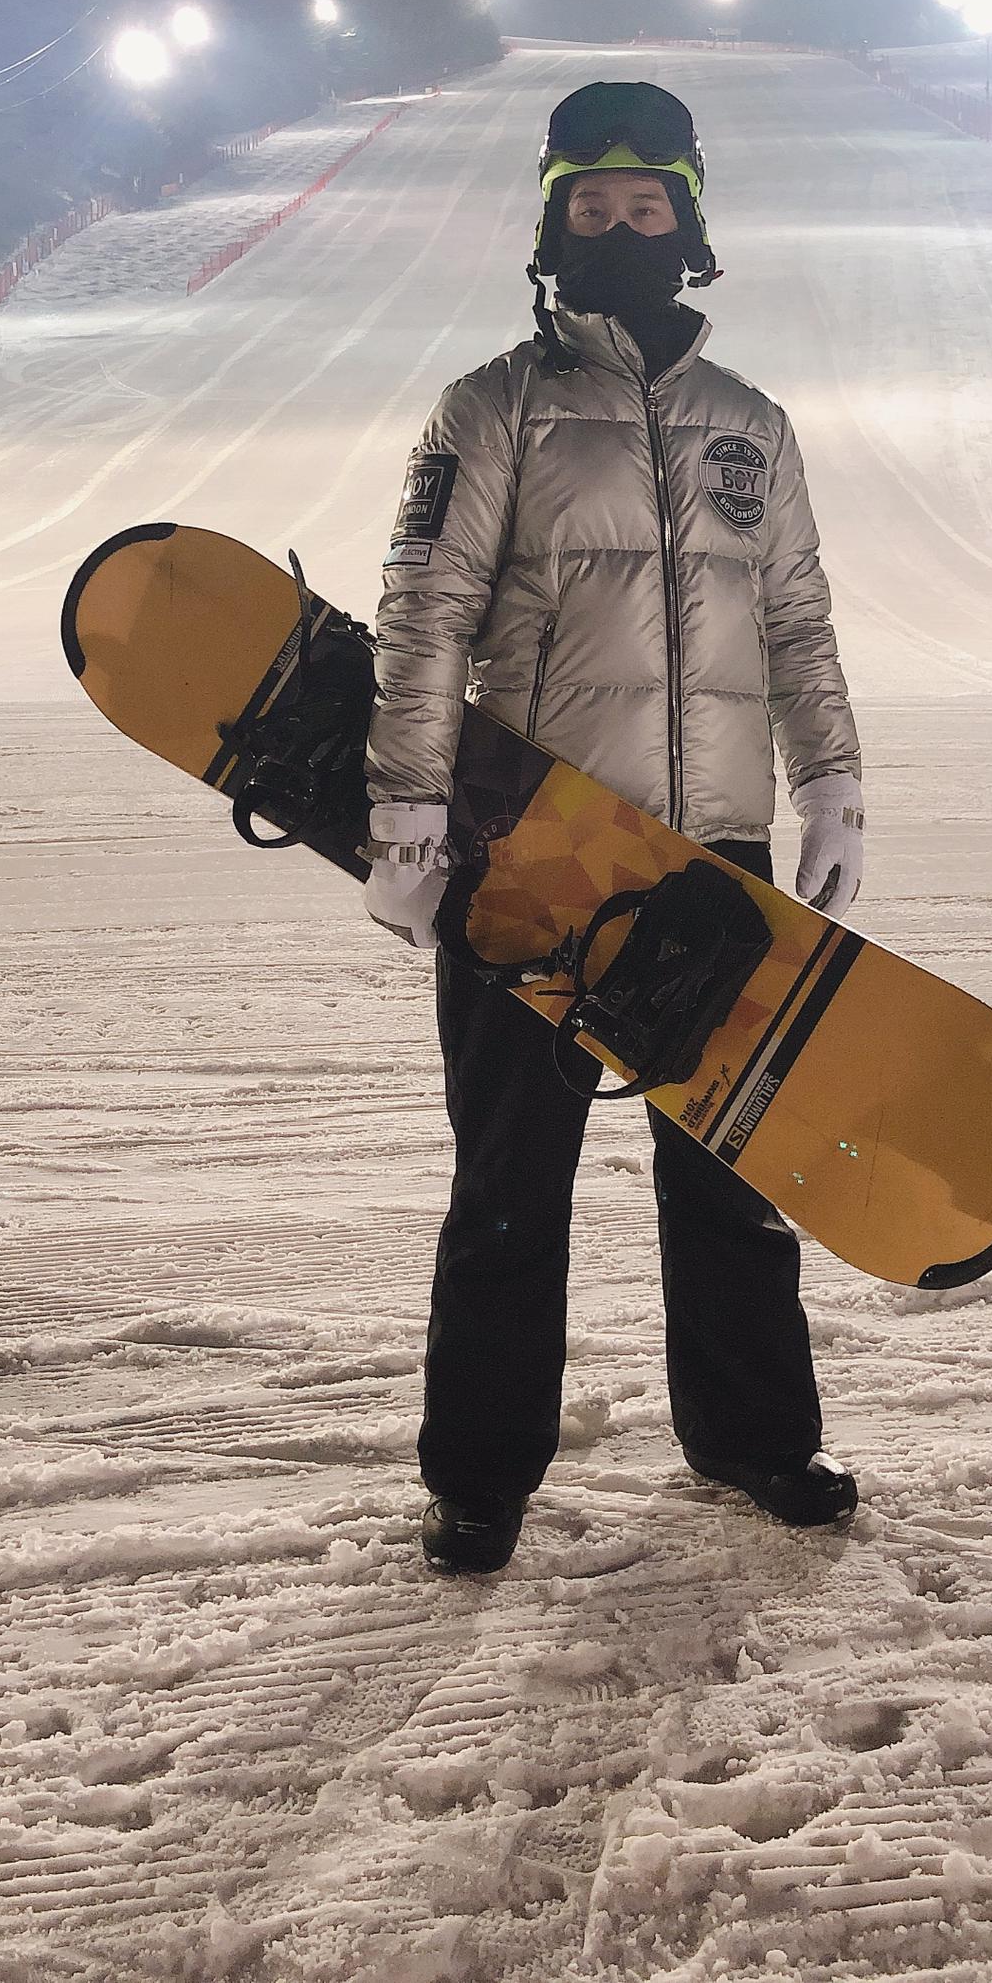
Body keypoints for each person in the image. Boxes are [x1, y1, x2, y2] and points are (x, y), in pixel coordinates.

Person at [364, 80, 865, 1575]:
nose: (622, 228)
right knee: (510, 1183)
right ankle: (479, 1478)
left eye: (649, 207)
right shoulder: (491, 407)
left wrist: (829, 778)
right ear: (554, 224)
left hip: (712, 847)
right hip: (534, 841)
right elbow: (425, 609)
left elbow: (797, 623)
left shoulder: (748, 427)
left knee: (733, 1170)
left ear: (689, 223)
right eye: (594, 207)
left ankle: (754, 1440)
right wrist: (405, 799)